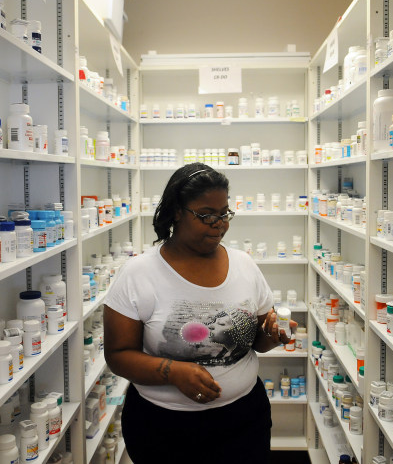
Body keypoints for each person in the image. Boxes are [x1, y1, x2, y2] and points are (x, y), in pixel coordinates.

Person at [104, 162, 296, 463]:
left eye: (224, 214)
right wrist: (173, 372)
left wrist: (273, 335)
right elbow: (118, 355)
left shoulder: (244, 265)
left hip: (244, 420)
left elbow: (257, 341)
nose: (219, 224)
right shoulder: (139, 273)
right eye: (206, 214)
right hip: (164, 428)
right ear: (177, 211)